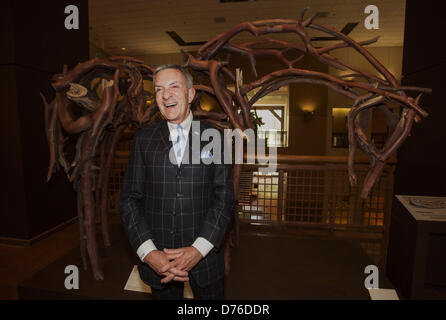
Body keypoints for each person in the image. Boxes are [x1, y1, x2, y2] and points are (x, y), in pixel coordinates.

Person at [118, 64, 234, 300]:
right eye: (159, 89)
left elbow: (224, 198)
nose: (166, 94)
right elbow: (129, 200)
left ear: (190, 94)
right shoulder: (143, 139)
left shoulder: (217, 138)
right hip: (159, 262)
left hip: (205, 260)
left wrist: (198, 249)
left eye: (174, 87)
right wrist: (149, 253)